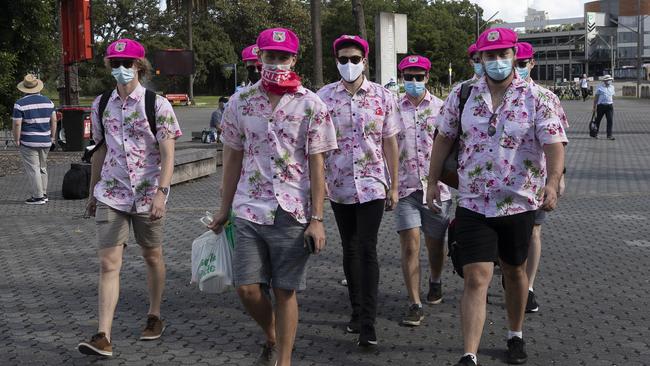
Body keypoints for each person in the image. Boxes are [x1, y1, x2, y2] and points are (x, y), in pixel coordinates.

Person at [427, 28, 568, 366]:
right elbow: (443, 139)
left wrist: (552, 182)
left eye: (503, 54)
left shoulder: (539, 98)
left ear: (514, 55)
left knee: (514, 271)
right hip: (473, 200)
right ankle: (469, 354)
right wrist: (432, 182)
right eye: (490, 55)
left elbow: (553, 143)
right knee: (476, 276)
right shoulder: (462, 95)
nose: (497, 61)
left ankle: (514, 333)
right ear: (481, 59)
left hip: (517, 200)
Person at [208, 28, 337, 366]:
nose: (276, 63)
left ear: (294, 59)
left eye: (283, 57)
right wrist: (223, 209)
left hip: (292, 210)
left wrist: (318, 219)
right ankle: (272, 334)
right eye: (270, 56)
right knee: (247, 288)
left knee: (284, 290)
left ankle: (284, 360)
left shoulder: (311, 104)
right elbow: (233, 155)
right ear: (258, 58)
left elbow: (317, 164)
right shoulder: (241, 102)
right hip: (249, 208)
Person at [77, 39, 182, 357]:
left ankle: (154, 315)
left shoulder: (157, 105)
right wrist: (92, 192)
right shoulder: (101, 104)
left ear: (140, 66)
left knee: (152, 256)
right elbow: (100, 149)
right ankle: (103, 335)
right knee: (108, 263)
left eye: (127, 63)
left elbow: (168, 154)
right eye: (114, 63)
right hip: (111, 192)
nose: (120, 69)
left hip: (149, 194)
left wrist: (162, 195)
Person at [317, 34, 400, 347]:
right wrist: (319, 181)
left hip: (372, 184)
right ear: (336, 61)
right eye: (343, 59)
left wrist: (394, 184)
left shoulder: (382, 97)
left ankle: (368, 322)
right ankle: (355, 310)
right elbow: (316, 144)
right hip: (338, 184)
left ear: (365, 60)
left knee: (367, 247)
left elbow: (390, 141)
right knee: (349, 248)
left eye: (354, 59)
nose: (349, 64)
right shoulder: (323, 97)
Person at [394, 55, 451, 327]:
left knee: (434, 245)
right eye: (409, 77)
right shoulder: (393, 109)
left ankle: (436, 280)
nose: (414, 81)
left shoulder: (442, 108)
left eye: (419, 77)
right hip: (405, 188)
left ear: (427, 77)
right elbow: (387, 148)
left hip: (437, 189)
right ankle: (414, 302)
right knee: (410, 245)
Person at [515, 41, 568, 313]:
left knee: (534, 231)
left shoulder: (547, 97)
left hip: (536, 180)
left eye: (522, 64)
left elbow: (559, 141)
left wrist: (558, 178)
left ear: (532, 64)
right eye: (515, 62)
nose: (517, 68)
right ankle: (513, 277)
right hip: (500, 185)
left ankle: (530, 286)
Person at [12, 74, 57, 205]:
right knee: (43, 167)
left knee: (33, 169)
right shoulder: (49, 102)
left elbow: (17, 124)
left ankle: (38, 197)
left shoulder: (19, 104)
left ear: (24, 89)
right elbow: (54, 120)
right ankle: (43, 193)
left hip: (28, 141)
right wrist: (53, 137)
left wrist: (17, 139)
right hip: (46, 140)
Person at [592, 75, 616, 140]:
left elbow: (612, 96)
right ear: (605, 80)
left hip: (609, 106)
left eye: (610, 80)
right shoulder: (599, 87)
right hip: (601, 106)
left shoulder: (612, 87)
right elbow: (596, 97)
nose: (610, 81)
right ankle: (595, 133)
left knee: (610, 120)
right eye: (608, 80)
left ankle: (609, 135)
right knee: (598, 120)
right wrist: (594, 106)